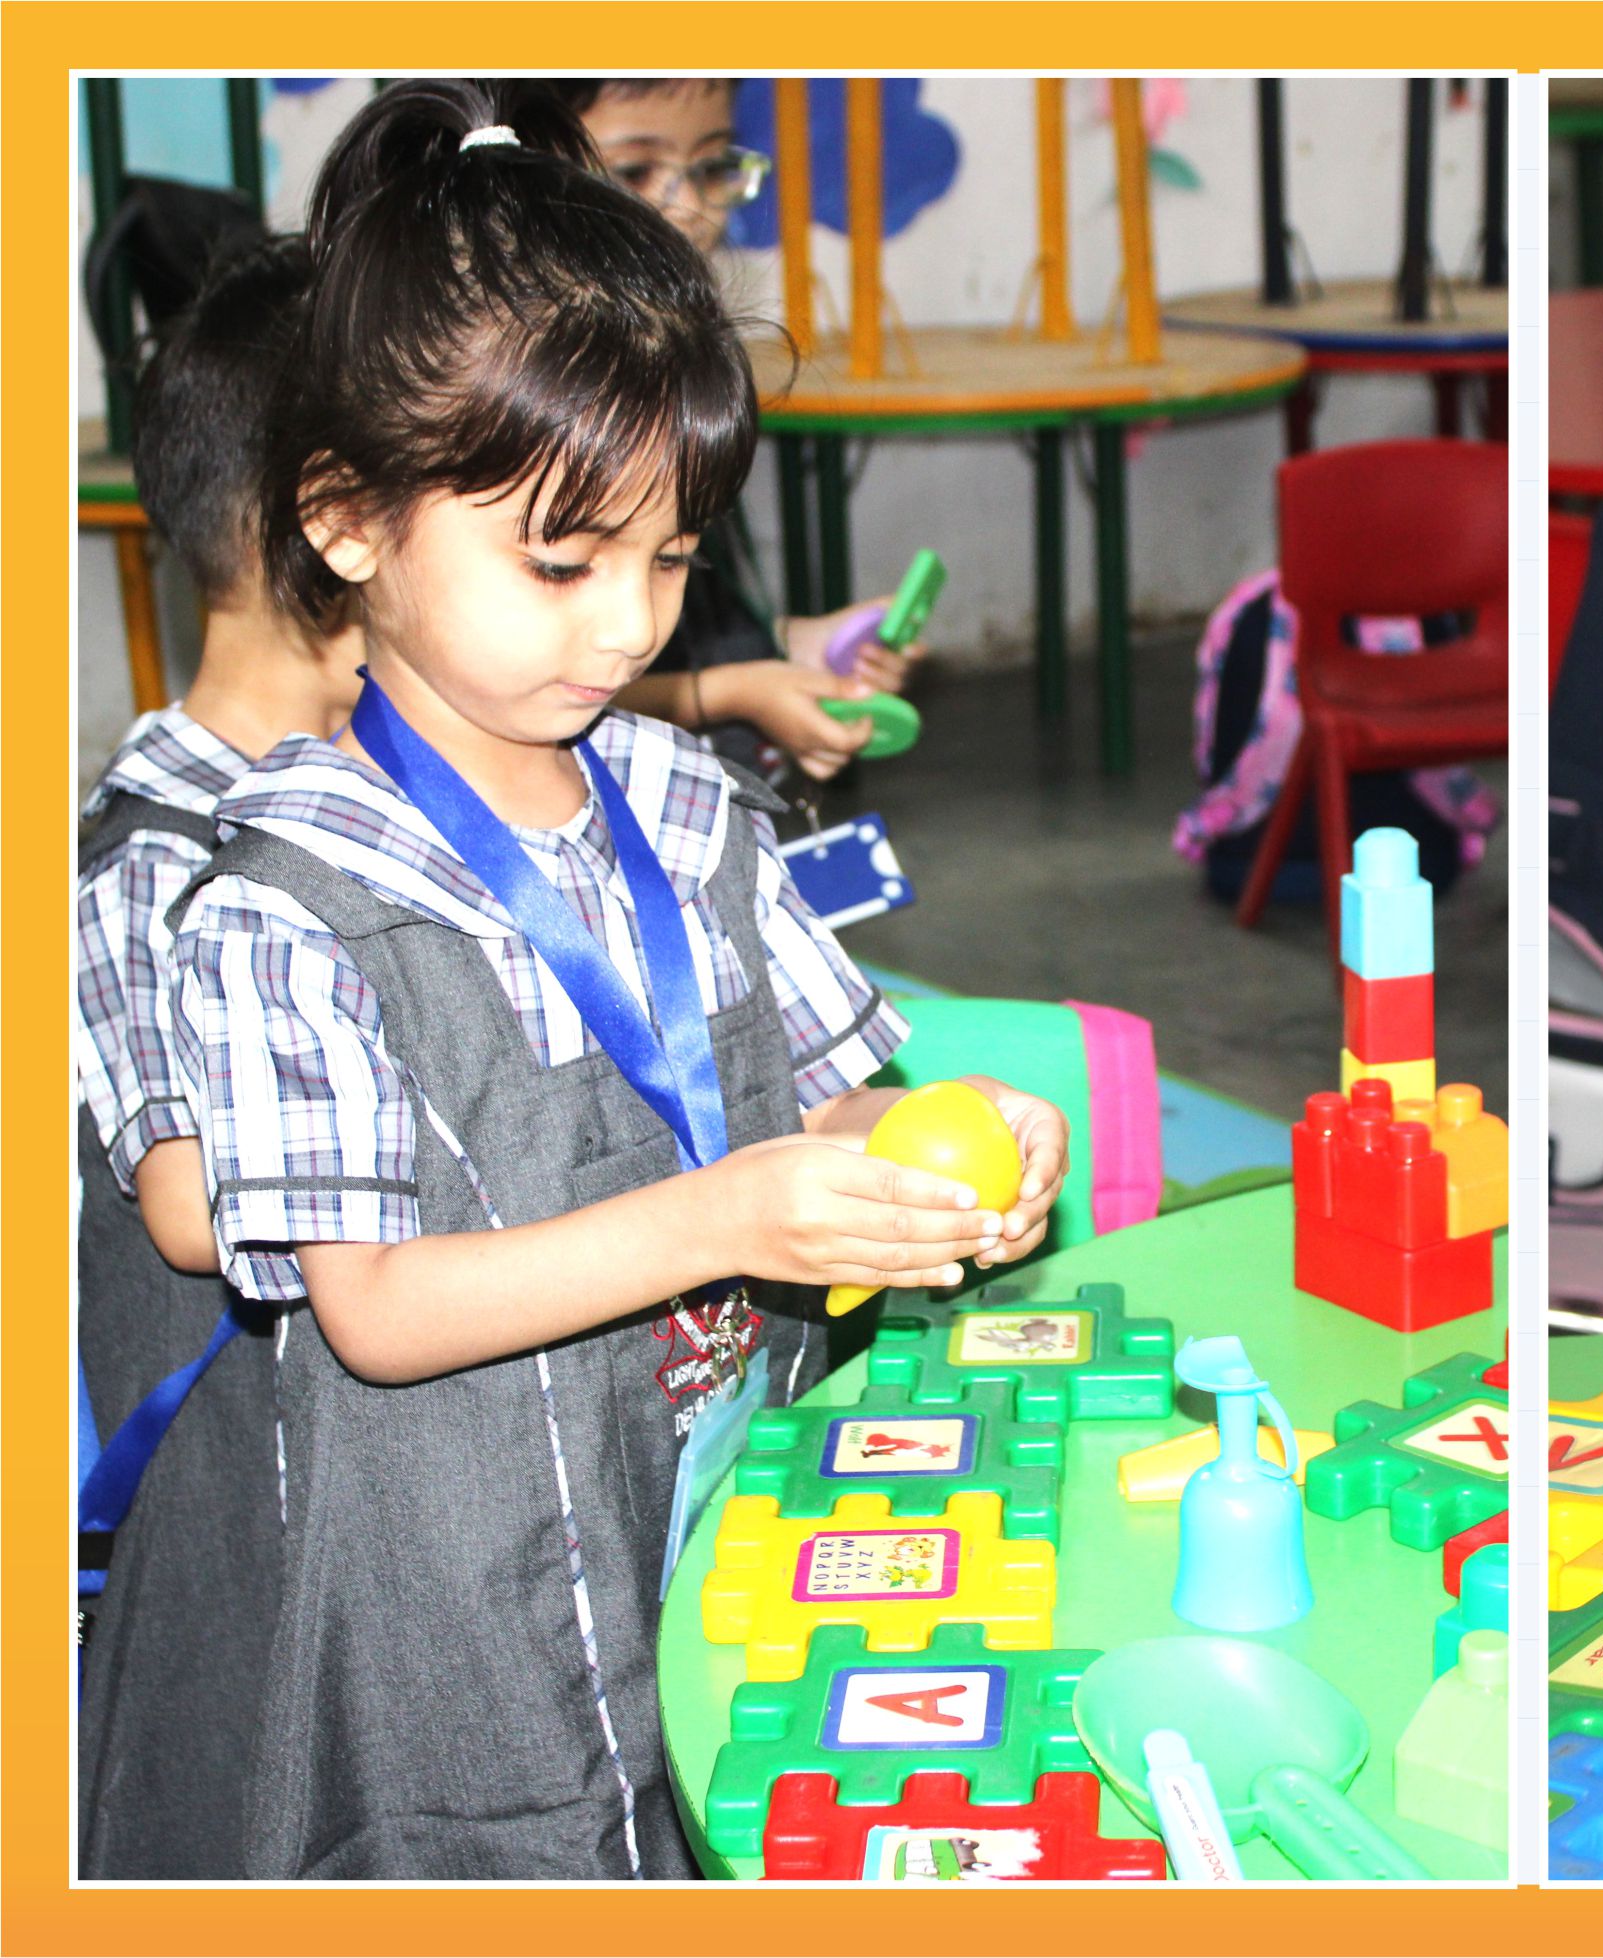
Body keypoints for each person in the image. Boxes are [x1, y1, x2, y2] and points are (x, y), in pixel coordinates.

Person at [165, 81, 1065, 1879]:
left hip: (730, 1512)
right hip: (470, 1617)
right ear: (346, 520)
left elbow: (828, 1097)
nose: (630, 624)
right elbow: (374, 1307)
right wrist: (726, 1212)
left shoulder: (686, 796)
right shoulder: (280, 903)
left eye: (670, 557)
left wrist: (935, 1146)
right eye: (561, 561)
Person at [75, 236, 363, 1878]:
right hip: (238, 1555)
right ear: (334, 525)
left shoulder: (362, 794)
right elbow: (190, 1209)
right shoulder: (150, 861)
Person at [550, 74, 915, 785]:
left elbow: (683, 630)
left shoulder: (672, 360)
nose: (691, 209)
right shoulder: (539, 398)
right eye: (635, 171)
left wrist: (797, 647)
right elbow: (512, 686)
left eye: (712, 165)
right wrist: (735, 691)